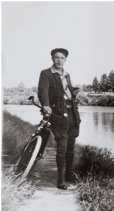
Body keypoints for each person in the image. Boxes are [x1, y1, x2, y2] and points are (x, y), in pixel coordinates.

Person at [38, 48, 81, 190]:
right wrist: (45, 105)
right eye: (56, 57)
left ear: (65, 60)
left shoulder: (67, 75)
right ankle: (61, 181)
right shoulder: (46, 74)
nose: (59, 60)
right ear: (52, 59)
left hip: (72, 115)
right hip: (58, 115)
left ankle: (69, 175)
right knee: (62, 147)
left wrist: (73, 93)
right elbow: (42, 91)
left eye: (62, 58)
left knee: (70, 147)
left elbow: (66, 93)